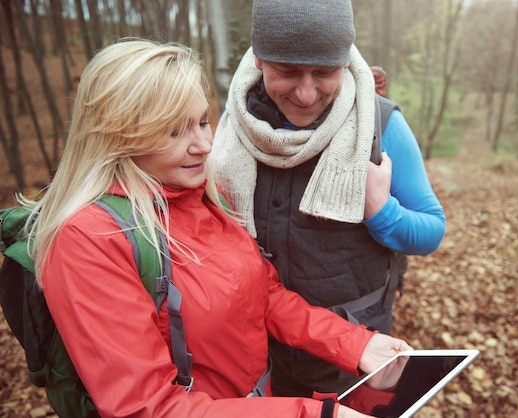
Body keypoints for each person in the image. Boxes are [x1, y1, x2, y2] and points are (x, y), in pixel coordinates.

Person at [18, 38, 411, 418]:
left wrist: (358, 345)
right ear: (119, 136)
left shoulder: (207, 195)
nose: (204, 144)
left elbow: (265, 296)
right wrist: (317, 414)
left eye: (203, 121)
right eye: (174, 131)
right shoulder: (89, 239)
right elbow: (147, 407)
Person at [209, 0, 446, 399]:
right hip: (256, 348)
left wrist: (380, 211)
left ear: (344, 62)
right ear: (260, 60)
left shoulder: (381, 125)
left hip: (354, 356)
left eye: (324, 73)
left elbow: (432, 230)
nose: (306, 93)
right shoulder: (236, 124)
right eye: (287, 72)